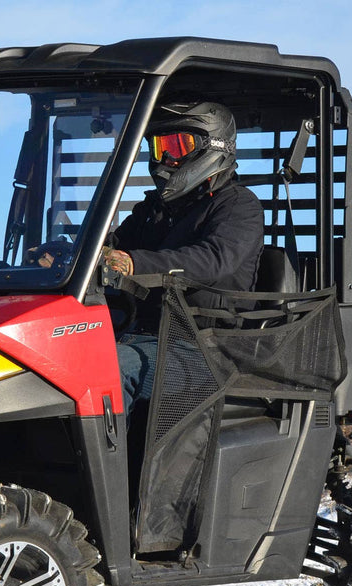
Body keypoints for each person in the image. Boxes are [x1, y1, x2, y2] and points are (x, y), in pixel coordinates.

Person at [102, 100, 264, 418]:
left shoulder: (238, 206)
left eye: (177, 146)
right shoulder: (154, 209)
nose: (166, 159)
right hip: (144, 333)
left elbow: (213, 260)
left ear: (212, 146)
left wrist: (134, 264)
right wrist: (69, 255)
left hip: (203, 344)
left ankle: (111, 467)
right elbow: (114, 245)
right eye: (160, 147)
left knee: (112, 368)